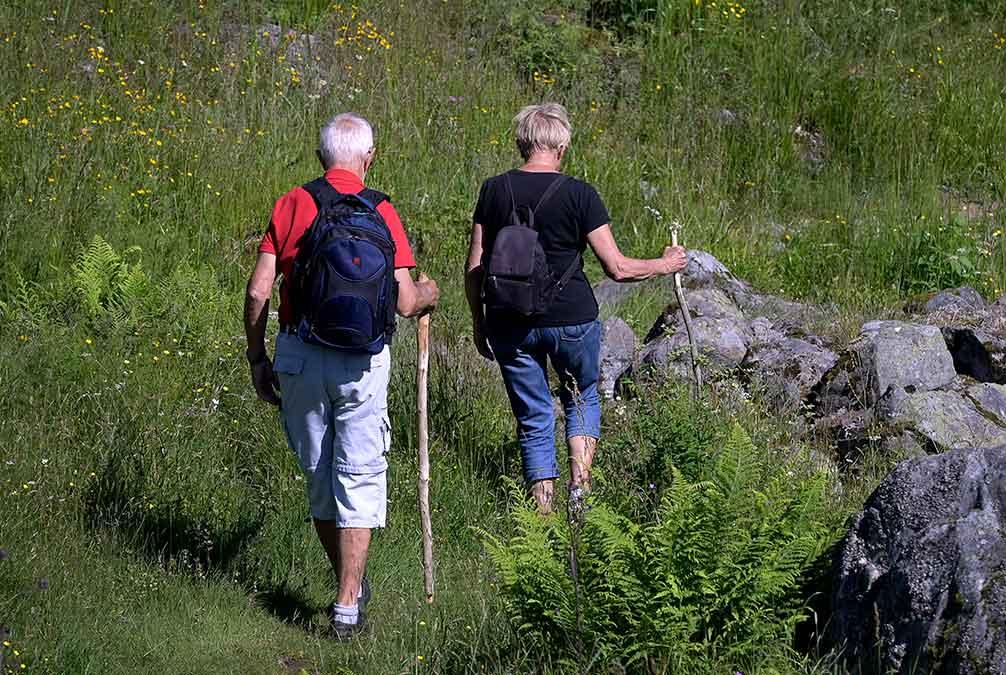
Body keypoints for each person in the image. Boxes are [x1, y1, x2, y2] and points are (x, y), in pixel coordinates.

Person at [243, 112, 439, 639]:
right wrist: (430, 294)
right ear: (369, 157)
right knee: (360, 476)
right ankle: (348, 605)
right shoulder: (382, 211)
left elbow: (260, 290)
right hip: (364, 361)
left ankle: (348, 580)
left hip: (300, 355)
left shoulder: (293, 203)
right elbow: (403, 301)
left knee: (320, 475)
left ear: (319, 157)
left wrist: (258, 358)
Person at [464, 103, 686, 515]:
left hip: (508, 320)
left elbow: (475, 265)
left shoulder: (494, 189)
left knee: (534, 414)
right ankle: (579, 495)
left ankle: (542, 515)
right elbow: (617, 268)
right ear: (562, 146)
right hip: (572, 319)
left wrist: (480, 323)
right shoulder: (580, 194)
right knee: (581, 396)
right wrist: (665, 263)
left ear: (521, 144)